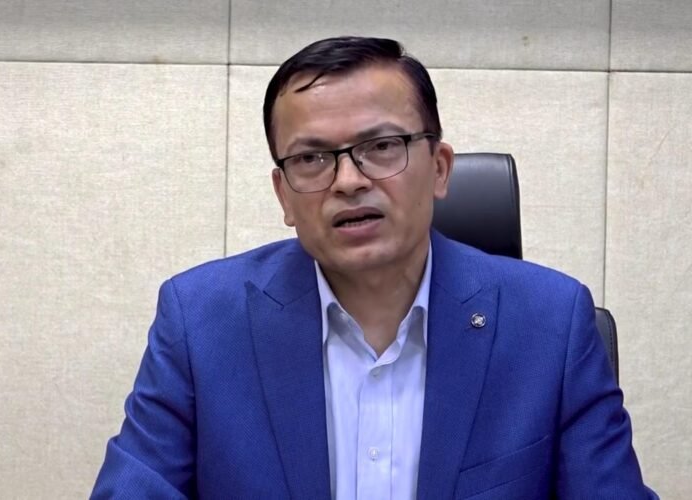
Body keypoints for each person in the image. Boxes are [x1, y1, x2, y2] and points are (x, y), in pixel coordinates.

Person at [91, 36, 657, 499]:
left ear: (440, 168)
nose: (348, 180)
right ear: (284, 194)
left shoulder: (551, 324)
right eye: (311, 158)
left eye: (382, 146)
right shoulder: (201, 321)